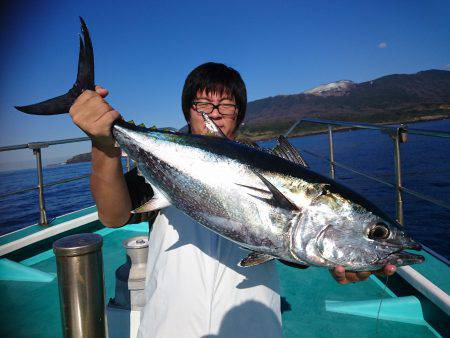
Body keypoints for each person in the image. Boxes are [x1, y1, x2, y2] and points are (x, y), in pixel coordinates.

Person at [69, 62, 396, 337]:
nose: (215, 114)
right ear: (188, 111)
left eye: (226, 105)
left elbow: (298, 242)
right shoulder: (165, 162)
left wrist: (340, 255)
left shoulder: (272, 167)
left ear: (239, 114)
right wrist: (103, 144)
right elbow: (113, 216)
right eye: (203, 105)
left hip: (251, 327)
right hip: (170, 325)